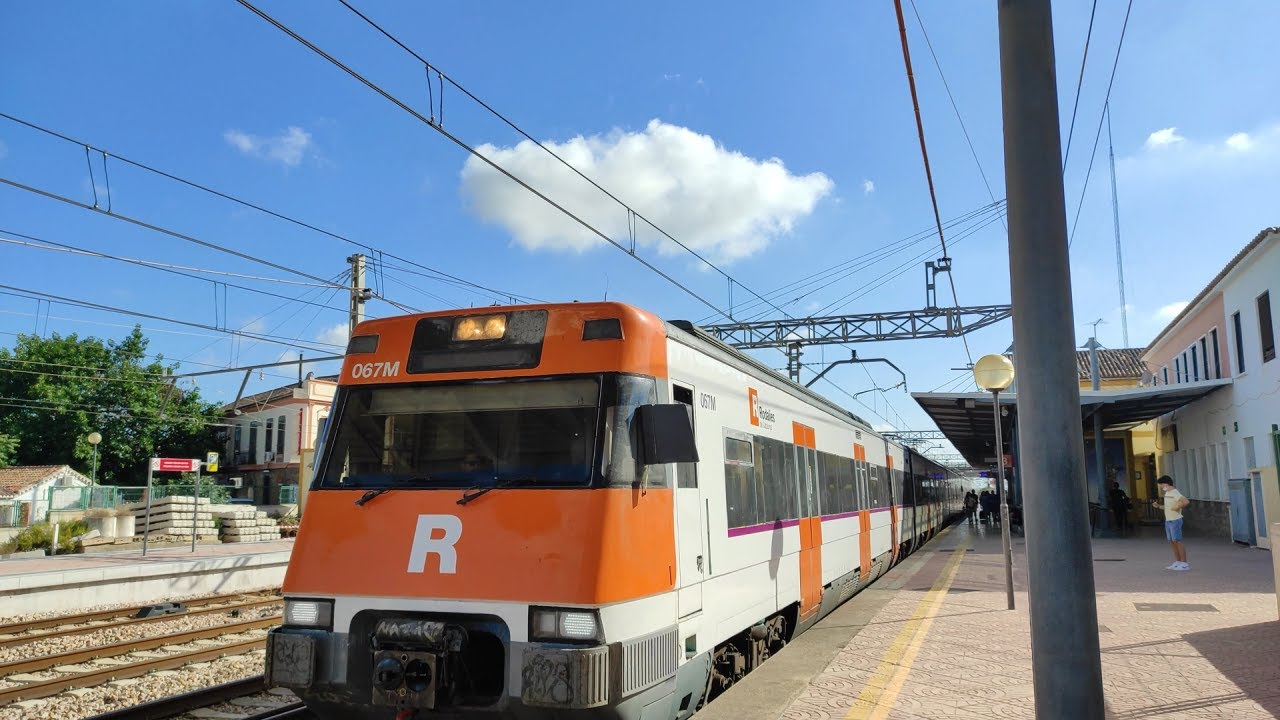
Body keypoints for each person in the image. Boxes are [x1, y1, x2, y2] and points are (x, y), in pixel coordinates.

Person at [1152, 475, 1190, 571]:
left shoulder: (1175, 492)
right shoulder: (1168, 493)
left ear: (1166, 484)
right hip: (1168, 521)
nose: (1161, 487)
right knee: (1172, 542)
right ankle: (1178, 562)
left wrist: (1177, 507)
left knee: (1177, 541)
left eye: (1161, 485)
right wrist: (1158, 506)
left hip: (1175, 520)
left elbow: (1185, 501)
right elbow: (1168, 507)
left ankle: (1184, 563)